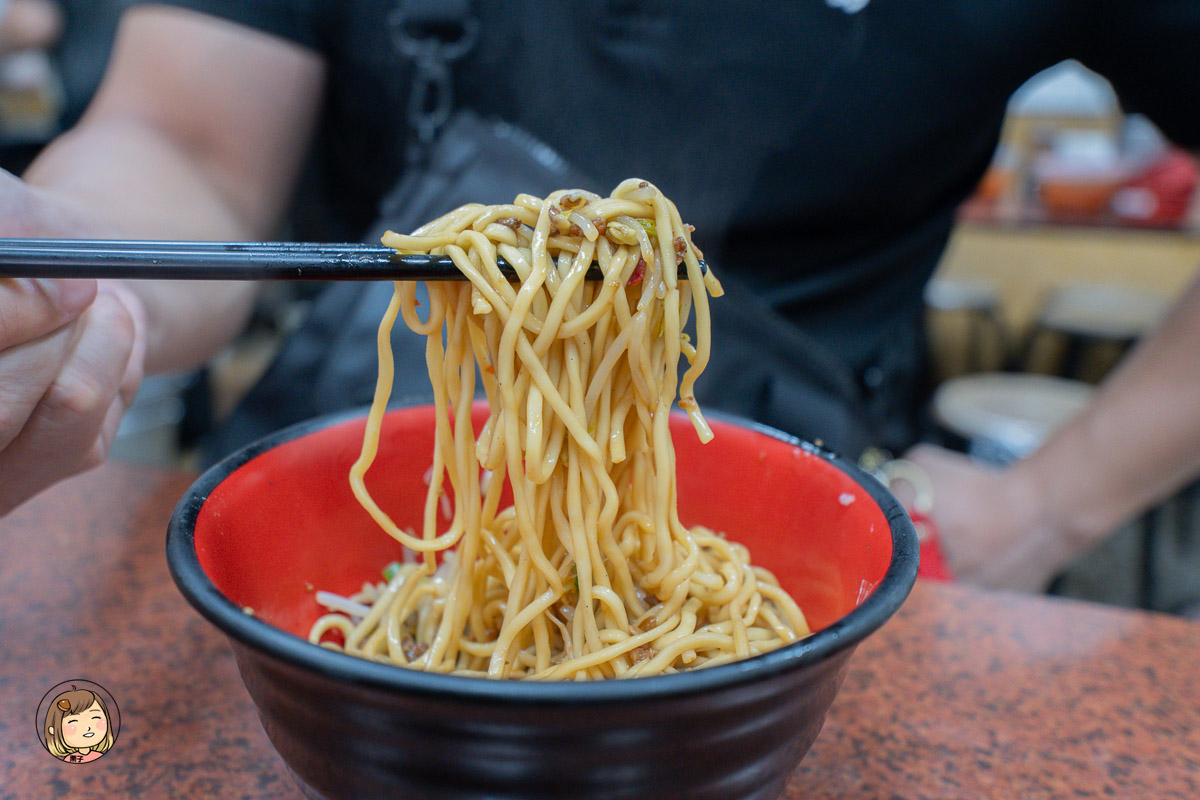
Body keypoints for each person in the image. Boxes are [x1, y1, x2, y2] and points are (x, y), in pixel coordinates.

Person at [0, 1, 1197, 594]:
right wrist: (68, 265)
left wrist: (1048, 503)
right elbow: (184, 145)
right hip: (358, 542)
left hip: (798, 567)